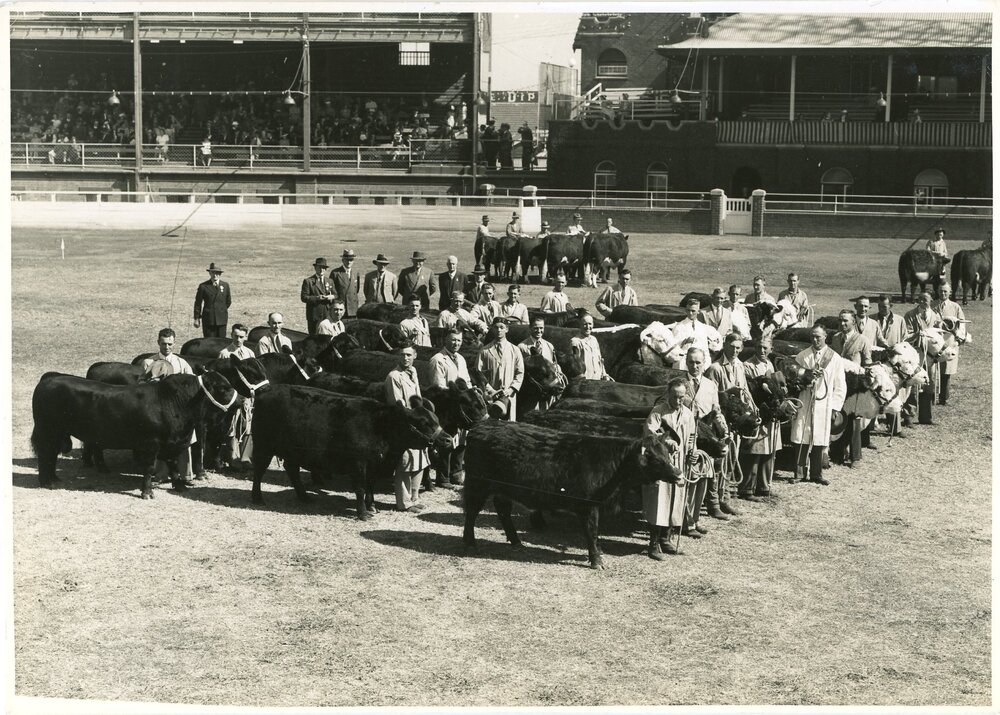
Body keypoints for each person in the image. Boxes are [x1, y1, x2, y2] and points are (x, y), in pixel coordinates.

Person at [642, 378, 697, 559]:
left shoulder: (689, 414)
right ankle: (654, 543)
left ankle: (667, 539)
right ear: (668, 394)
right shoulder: (659, 412)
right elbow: (650, 434)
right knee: (659, 501)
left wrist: (693, 452)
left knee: (676, 500)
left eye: (682, 397)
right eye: (675, 396)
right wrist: (666, 440)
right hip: (662, 464)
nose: (678, 400)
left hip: (680, 463)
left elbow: (690, 439)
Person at [679, 348, 732, 535]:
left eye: (698, 362)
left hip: (706, 439)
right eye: (691, 362)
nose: (695, 366)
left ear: (704, 363)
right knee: (687, 480)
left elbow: (716, 412)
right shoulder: (679, 384)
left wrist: (724, 431)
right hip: (686, 437)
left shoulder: (710, 385)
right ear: (686, 362)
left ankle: (694, 519)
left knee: (702, 479)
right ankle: (684, 522)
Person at [789, 325, 848, 485]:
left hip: (824, 403)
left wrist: (836, 407)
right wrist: (805, 379)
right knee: (801, 435)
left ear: (825, 337)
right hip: (805, 401)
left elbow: (840, 385)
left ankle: (816, 473)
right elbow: (794, 379)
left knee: (819, 438)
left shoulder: (834, 358)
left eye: (818, 337)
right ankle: (799, 473)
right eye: (812, 337)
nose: (815, 340)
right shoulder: (803, 355)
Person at [142, 328, 197, 483]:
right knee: (159, 442)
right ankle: (160, 475)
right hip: (158, 411)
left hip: (179, 412)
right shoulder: (148, 362)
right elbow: (139, 387)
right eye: (164, 343)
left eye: (170, 344)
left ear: (174, 343)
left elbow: (192, 386)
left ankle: (185, 475)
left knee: (184, 441)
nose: (167, 347)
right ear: (158, 342)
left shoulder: (182, 363)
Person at [705, 332, 751, 505]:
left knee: (732, 458)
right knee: (718, 461)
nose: (735, 351)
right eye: (732, 347)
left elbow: (744, 392)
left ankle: (725, 495)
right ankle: (713, 500)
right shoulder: (715, 368)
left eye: (738, 348)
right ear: (725, 345)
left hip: (735, 422)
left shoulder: (740, 366)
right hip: (719, 422)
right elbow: (711, 397)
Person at [384, 344, 430, 512]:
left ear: (415, 356)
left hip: (418, 424)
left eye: (409, 355)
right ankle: (404, 503)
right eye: (402, 354)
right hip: (404, 425)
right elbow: (398, 405)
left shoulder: (413, 372)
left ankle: (415, 497)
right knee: (405, 464)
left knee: (419, 461)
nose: (406, 358)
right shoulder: (393, 376)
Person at [829, 309, 873, 467]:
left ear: (854, 322)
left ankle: (855, 456)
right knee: (838, 417)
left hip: (855, 386)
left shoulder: (862, 340)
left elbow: (868, 365)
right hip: (838, 384)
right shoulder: (835, 338)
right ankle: (837, 453)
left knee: (854, 419)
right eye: (840, 320)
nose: (842, 323)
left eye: (846, 320)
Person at [428, 328, 472, 487]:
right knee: (446, 441)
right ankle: (443, 477)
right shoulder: (438, 359)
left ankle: (456, 472)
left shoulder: (461, 359)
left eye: (459, 340)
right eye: (453, 340)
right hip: (445, 407)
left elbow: (467, 380)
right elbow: (437, 386)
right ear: (445, 340)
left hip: (459, 409)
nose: (456, 343)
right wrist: (456, 394)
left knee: (461, 439)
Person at [740, 336, 781, 497]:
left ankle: (763, 487)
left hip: (770, 412)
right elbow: (750, 389)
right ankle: (747, 487)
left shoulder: (769, 364)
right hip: (757, 410)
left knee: (769, 449)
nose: (762, 351)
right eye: (759, 347)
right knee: (754, 449)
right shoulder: (748, 365)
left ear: (771, 349)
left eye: (765, 348)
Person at [216, 324, 255, 471]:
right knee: (231, 426)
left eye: (241, 336)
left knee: (247, 425)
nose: (238, 339)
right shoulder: (224, 353)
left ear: (245, 337)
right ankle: (232, 458)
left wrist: (250, 396)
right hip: (231, 396)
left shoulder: (250, 353)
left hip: (246, 397)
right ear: (231, 335)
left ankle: (246, 458)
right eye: (235, 336)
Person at [904, 291, 943, 424]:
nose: (922, 302)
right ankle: (908, 416)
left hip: (930, 356)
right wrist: (916, 334)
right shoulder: (910, 315)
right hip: (916, 354)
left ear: (931, 300)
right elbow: (907, 334)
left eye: (925, 299)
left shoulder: (936, 316)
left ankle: (926, 417)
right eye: (920, 299)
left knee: (928, 383)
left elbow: (939, 335)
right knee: (913, 383)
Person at [475, 318, 525, 420]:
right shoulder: (484, 351)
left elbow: (520, 372)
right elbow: (478, 374)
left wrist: (511, 389)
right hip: (490, 397)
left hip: (509, 396)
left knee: (508, 427)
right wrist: (490, 390)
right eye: (496, 327)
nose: (498, 330)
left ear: (506, 329)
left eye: (501, 327)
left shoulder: (515, 350)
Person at [933, 283, 966, 407]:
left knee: (946, 371)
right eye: (941, 291)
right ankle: (932, 396)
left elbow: (962, 325)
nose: (943, 294)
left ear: (950, 292)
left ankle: (944, 398)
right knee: (933, 370)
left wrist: (958, 340)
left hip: (950, 342)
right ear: (937, 291)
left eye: (945, 292)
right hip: (935, 343)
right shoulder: (932, 305)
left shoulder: (955, 307)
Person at [669, 297, 721, 367]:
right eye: (688, 310)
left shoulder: (703, 328)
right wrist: (684, 341)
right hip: (684, 363)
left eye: (693, 311)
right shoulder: (679, 327)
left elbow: (716, 342)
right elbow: (673, 348)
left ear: (698, 311)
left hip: (702, 363)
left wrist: (712, 343)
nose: (690, 313)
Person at [193, 262, 231, 338]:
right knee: (209, 342)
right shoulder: (203, 286)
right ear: (210, 273)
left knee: (221, 342)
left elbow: (228, 301)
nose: (215, 275)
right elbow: (198, 303)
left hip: (221, 319)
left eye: (217, 273)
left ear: (220, 274)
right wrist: (197, 318)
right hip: (208, 319)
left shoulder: (225, 285)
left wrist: (220, 310)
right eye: (213, 272)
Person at [571, 314, 612, 381]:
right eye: (585, 324)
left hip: (598, 379)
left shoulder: (594, 340)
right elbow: (575, 365)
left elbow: (600, 360)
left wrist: (604, 374)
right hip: (585, 381)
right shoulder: (575, 342)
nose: (588, 327)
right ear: (580, 325)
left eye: (590, 324)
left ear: (593, 325)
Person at [301, 257, 336, 334]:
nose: (321, 270)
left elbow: (335, 294)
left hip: (327, 314)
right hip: (314, 314)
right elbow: (304, 297)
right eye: (319, 267)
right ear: (315, 268)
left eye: (323, 268)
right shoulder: (308, 281)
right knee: (314, 337)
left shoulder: (330, 281)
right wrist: (317, 298)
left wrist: (332, 297)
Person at [330, 249, 362, 318]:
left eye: (351, 260)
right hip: (340, 308)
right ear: (342, 260)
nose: (349, 262)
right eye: (347, 260)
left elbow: (356, 290)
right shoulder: (335, 273)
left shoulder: (356, 273)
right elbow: (332, 291)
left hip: (353, 308)